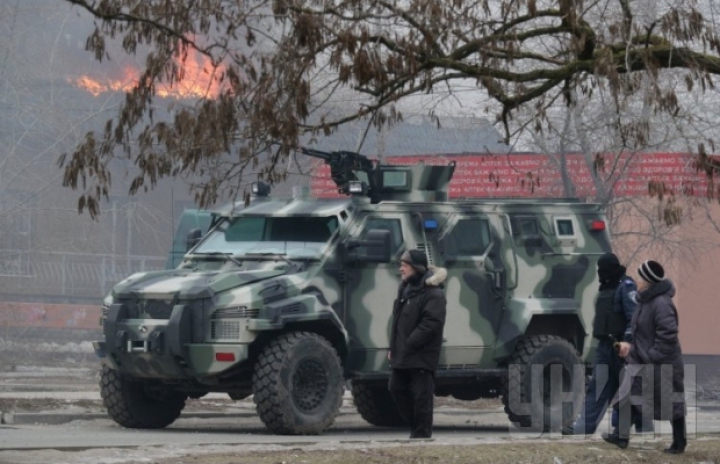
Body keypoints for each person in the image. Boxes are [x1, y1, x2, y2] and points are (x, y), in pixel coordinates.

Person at [603, 260, 687, 454]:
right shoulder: (645, 301)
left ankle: (679, 442)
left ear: (648, 281)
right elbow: (641, 331)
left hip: (662, 363)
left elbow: (668, 334)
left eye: (640, 277)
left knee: (672, 402)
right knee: (629, 395)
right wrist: (632, 347)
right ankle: (621, 436)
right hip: (641, 359)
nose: (637, 280)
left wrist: (651, 355)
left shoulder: (661, 303)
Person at [563, 253, 651, 435]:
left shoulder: (626, 286)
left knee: (629, 389)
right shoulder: (606, 287)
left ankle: (642, 427)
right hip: (605, 347)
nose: (600, 273)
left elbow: (634, 316)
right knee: (597, 387)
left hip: (622, 348)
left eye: (602, 269)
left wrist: (628, 341)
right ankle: (584, 426)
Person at [388, 249, 447, 439]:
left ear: (416, 268)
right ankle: (416, 427)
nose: (401, 269)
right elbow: (397, 320)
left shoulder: (433, 293)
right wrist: (394, 347)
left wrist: (410, 343)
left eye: (404, 266)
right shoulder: (405, 288)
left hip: (422, 353)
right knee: (395, 387)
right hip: (403, 352)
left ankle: (421, 435)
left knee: (422, 396)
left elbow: (432, 324)